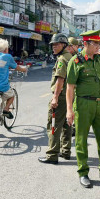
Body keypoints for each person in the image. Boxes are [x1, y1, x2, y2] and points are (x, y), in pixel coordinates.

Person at [66, 29, 100, 188]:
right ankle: (83, 172)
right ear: (87, 43)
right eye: (96, 44)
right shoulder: (75, 62)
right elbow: (70, 88)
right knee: (81, 140)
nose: (99, 47)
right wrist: (69, 110)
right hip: (83, 105)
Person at [39, 34, 74, 164]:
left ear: (63, 45)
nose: (53, 47)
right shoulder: (69, 57)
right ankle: (66, 151)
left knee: (53, 125)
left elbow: (60, 78)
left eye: (56, 44)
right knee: (67, 125)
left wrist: (55, 97)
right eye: (53, 45)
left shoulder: (62, 59)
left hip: (61, 97)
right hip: (70, 97)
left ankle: (52, 155)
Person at [0, 39, 28, 124]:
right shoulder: (8, 57)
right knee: (12, 96)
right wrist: (24, 69)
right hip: (2, 86)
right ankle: (6, 109)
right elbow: (17, 67)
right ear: (5, 49)